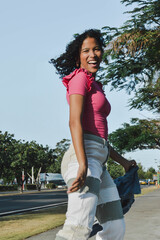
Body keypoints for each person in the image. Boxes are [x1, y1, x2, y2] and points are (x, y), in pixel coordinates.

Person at [50, 29, 136, 240]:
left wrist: (123, 162)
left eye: (96, 49)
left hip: (99, 160)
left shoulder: (96, 84)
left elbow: (101, 137)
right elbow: (74, 121)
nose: (92, 54)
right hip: (83, 158)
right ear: (78, 57)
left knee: (114, 227)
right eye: (86, 50)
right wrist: (82, 164)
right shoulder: (79, 78)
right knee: (77, 228)